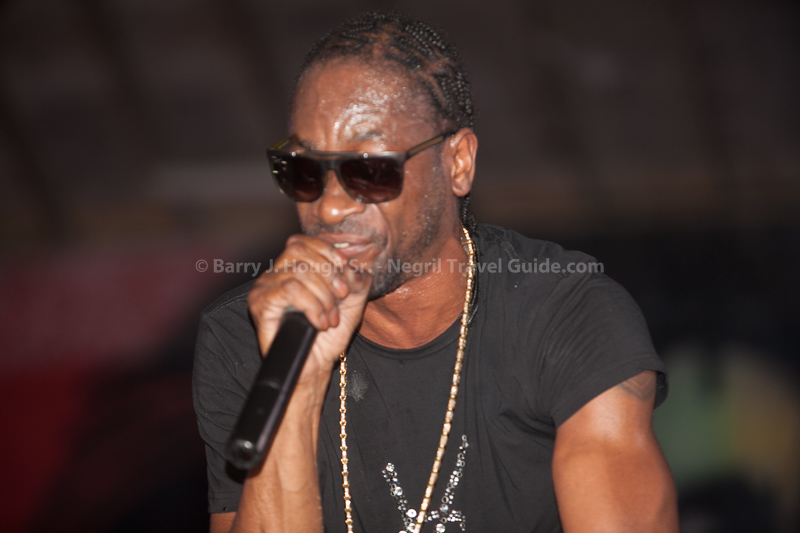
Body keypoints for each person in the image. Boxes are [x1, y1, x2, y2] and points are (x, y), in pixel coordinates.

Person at [193, 11, 678, 533]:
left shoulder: (565, 313)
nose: (330, 207)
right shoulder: (249, 335)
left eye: (369, 169)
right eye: (306, 170)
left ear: (458, 162)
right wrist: (299, 384)